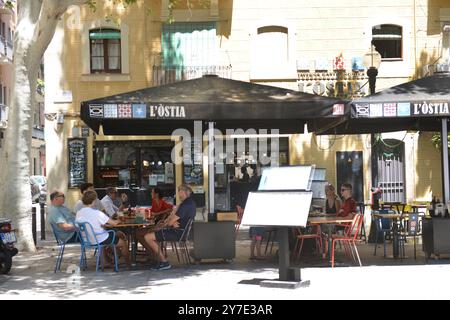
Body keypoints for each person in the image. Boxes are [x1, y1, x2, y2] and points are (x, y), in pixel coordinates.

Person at [137, 184, 196, 270]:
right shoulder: (189, 203)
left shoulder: (185, 205)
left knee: (148, 237)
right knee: (148, 233)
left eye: (179, 191)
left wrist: (171, 221)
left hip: (176, 232)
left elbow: (170, 221)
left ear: (183, 192)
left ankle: (163, 262)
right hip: (178, 231)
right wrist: (172, 220)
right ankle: (156, 258)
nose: (178, 194)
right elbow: (172, 219)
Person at [75, 190, 130, 268]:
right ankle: (129, 264)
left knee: (115, 234)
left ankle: (114, 257)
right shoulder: (97, 213)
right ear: (94, 201)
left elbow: (77, 225)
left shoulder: (79, 212)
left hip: (86, 240)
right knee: (123, 243)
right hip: (100, 238)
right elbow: (114, 223)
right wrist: (120, 219)